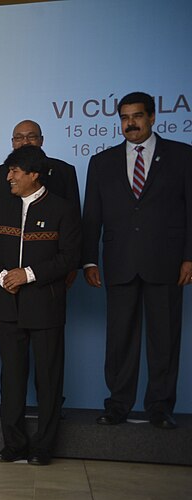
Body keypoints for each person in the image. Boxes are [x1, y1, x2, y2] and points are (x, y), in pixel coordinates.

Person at [82, 91, 192, 430]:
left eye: (138, 116)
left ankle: (160, 407)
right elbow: (92, 217)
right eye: (125, 117)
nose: (131, 123)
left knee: (165, 338)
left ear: (153, 117)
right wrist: (89, 260)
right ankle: (117, 405)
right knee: (120, 339)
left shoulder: (182, 155)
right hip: (120, 261)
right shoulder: (102, 162)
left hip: (167, 261)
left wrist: (189, 257)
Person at [0, 145, 80, 466]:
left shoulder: (63, 209)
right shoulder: (0, 207)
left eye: (15, 172)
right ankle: (14, 444)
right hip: (7, 308)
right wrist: (2, 275)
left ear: (34, 175)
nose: (8, 177)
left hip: (46, 308)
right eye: (9, 171)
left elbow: (70, 257)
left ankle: (43, 447)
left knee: (48, 380)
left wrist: (29, 274)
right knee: (11, 378)